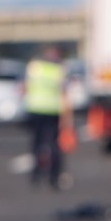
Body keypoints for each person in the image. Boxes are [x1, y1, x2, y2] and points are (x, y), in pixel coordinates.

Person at [24, 45, 72, 189]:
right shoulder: (59, 70)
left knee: (37, 144)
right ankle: (53, 177)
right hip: (52, 111)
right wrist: (67, 117)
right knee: (53, 145)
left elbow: (26, 86)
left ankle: (36, 175)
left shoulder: (35, 66)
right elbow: (64, 93)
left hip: (35, 108)